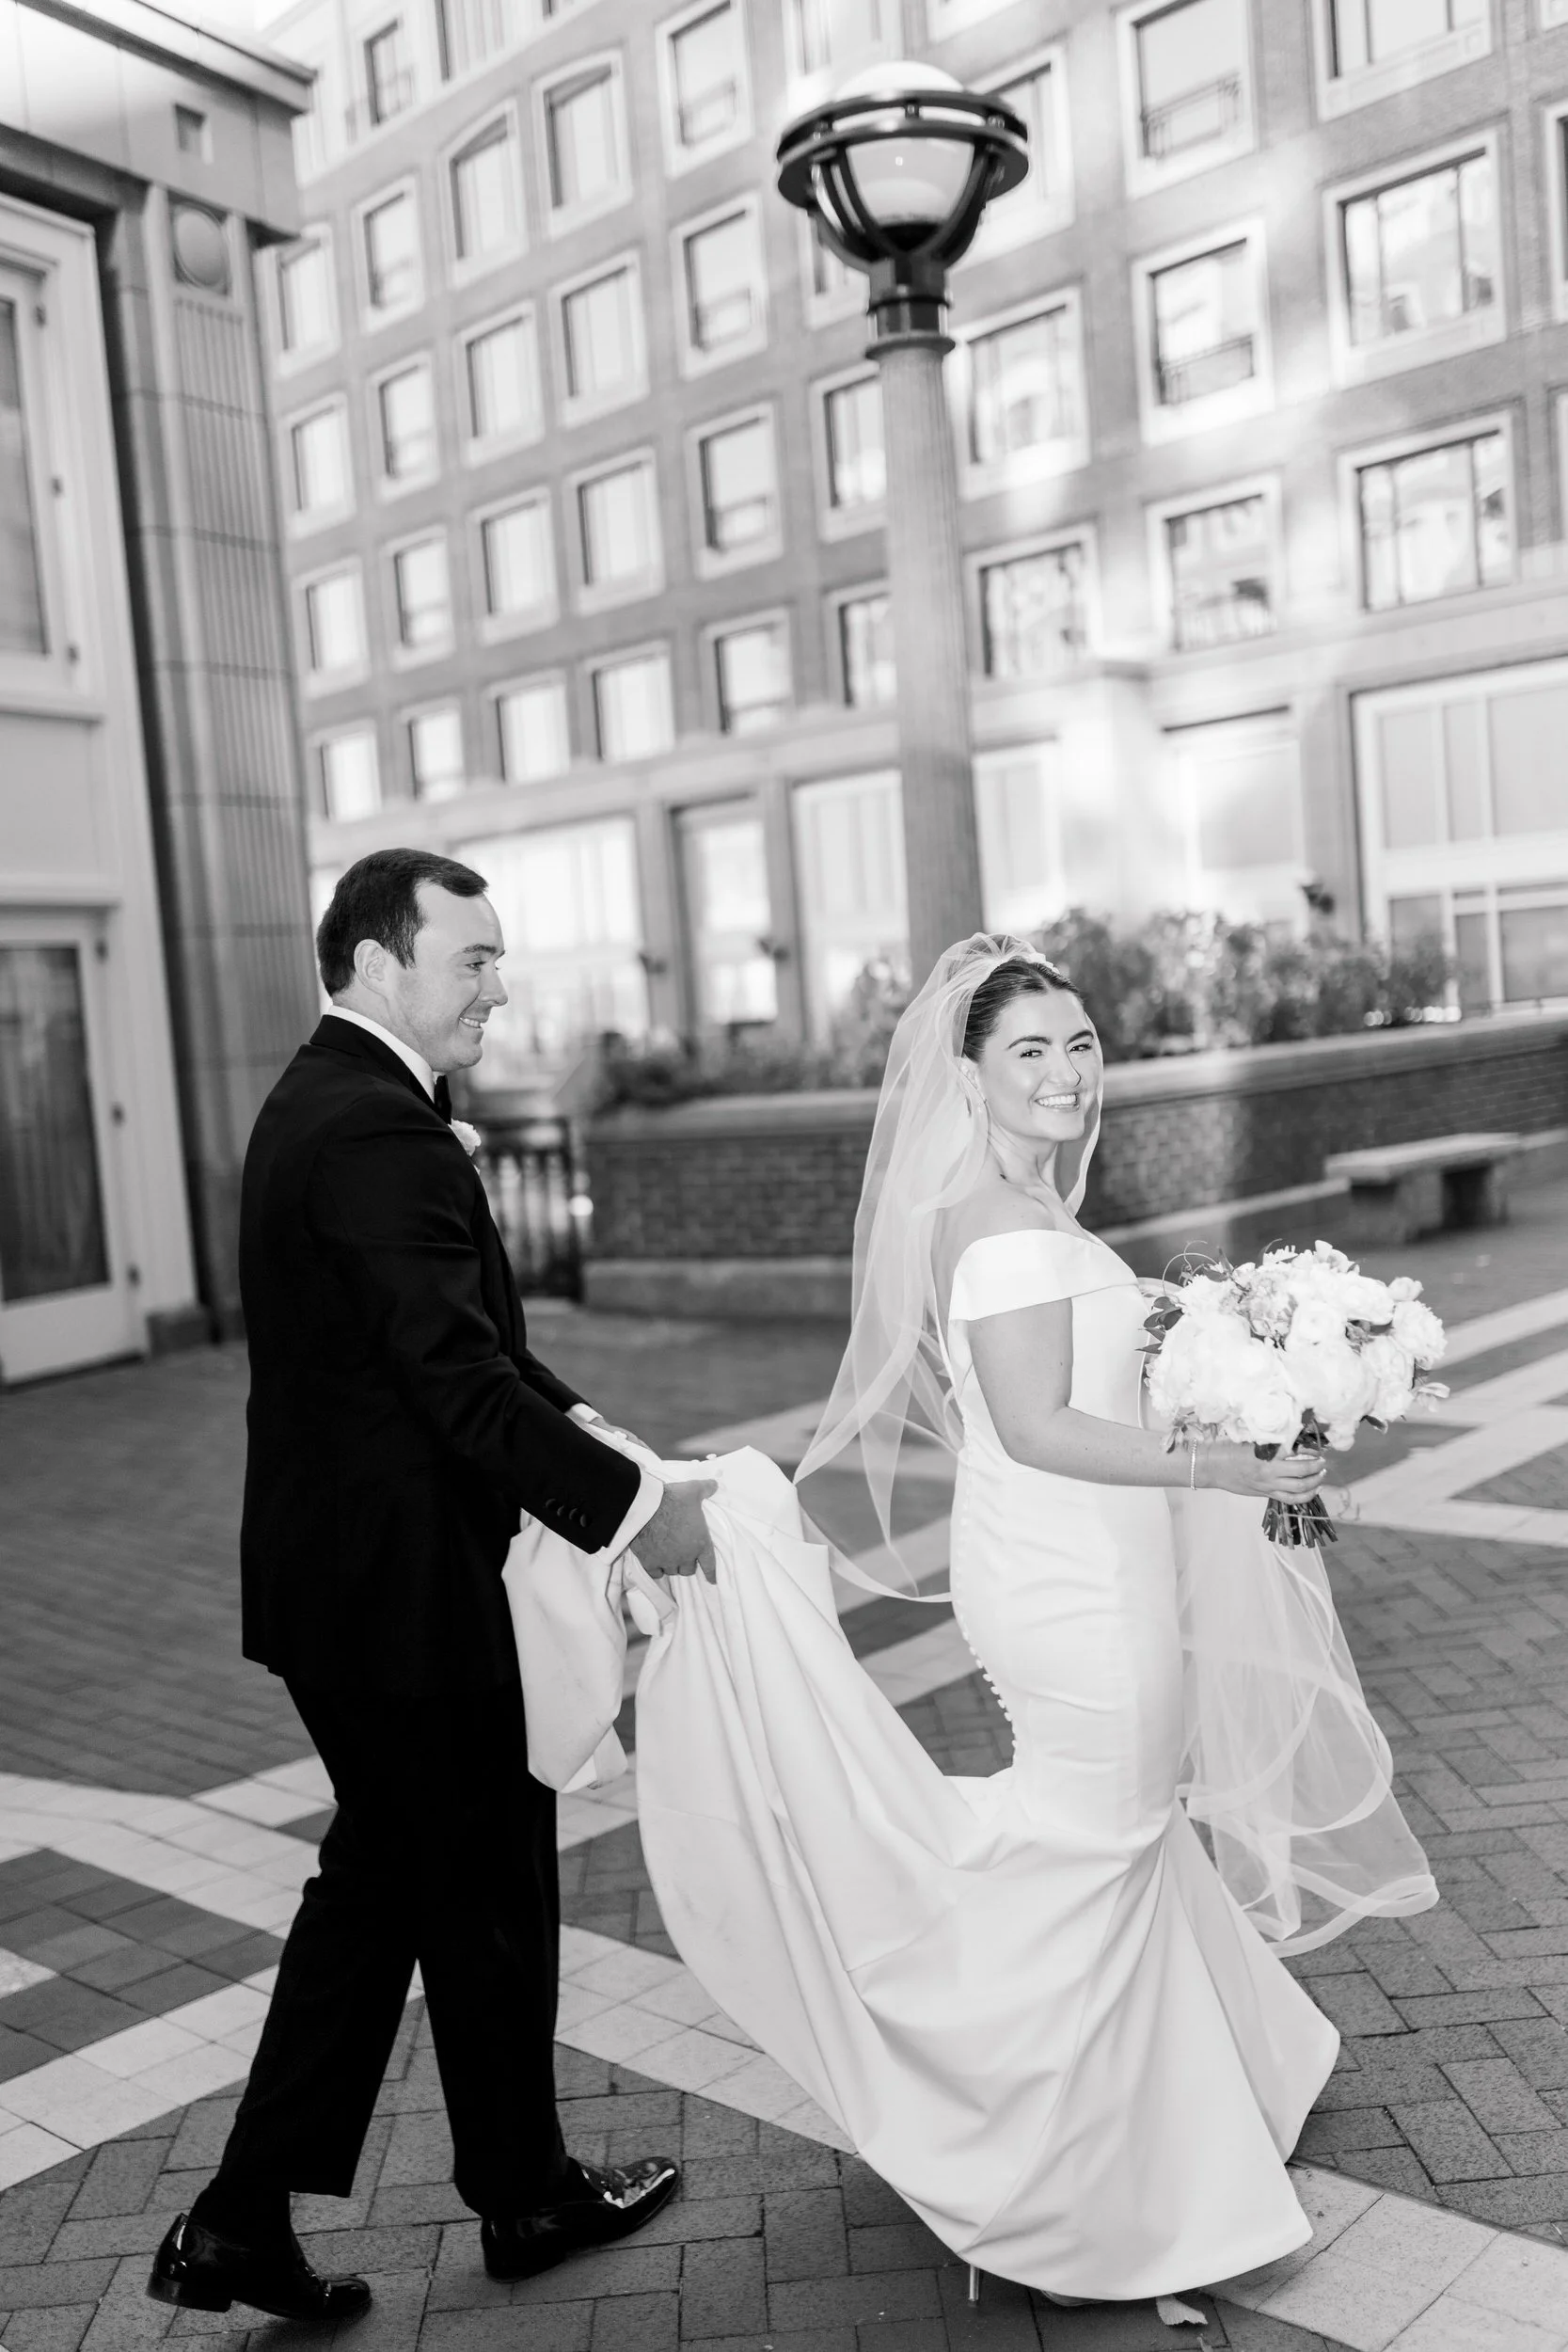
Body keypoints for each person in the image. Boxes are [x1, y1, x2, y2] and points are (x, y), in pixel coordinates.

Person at [625, 933, 1438, 2314]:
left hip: (1090, 1559)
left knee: (1115, 1826)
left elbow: (1098, 1393)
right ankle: (1064, 2176)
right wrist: (1228, 1467)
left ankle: (1203, 2094)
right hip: (1068, 1581)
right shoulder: (1000, 1232)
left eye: (1076, 1043)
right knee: (1105, 1829)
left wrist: (1245, 1382)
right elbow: (1038, 1427)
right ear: (969, 1076)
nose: (1064, 1072)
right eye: (1029, 1052)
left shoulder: (1019, 1207)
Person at [148, 849, 715, 2328]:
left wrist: (603, 1444)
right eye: (473, 957)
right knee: (457, 1887)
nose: (500, 984)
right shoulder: (373, 1129)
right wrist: (632, 1517)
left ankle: (322, 2213)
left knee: (423, 1889)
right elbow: (456, 1382)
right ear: (380, 962)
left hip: (363, 1589)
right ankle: (362, 2205)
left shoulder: (333, 1103)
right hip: (401, 1603)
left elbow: (464, 1353)